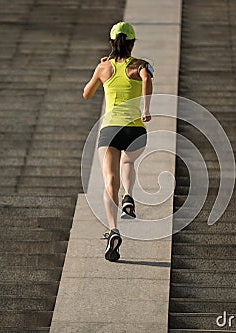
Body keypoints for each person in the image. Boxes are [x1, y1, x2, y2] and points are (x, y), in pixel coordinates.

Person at [83, 22, 153, 262]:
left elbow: (87, 93)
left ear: (112, 43)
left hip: (110, 130)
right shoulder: (140, 65)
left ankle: (113, 230)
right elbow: (146, 78)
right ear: (132, 43)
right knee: (128, 162)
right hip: (135, 131)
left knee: (109, 182)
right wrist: (145, 108)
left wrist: (101, 70)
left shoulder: (104, 67)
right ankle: (129, 198)